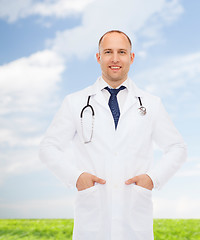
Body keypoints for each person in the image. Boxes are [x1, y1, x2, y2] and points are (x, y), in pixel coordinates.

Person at [39, 30, 187, 240]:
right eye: (108, 52)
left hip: (135, 217)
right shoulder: (75, 102)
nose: (115, 59)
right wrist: (76, 178)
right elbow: (48, 147)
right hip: (92, 219)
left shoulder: (151, 103)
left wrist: (152, 179)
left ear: (131, 57)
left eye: (122, 52)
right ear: (98, 57)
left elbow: (177, 148)